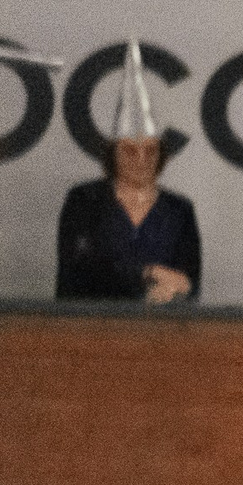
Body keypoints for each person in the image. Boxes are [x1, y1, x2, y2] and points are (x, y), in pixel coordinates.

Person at [57, 40, 200, 305]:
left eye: (150, 150)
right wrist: (148, 273)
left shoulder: (179, 209)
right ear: (113, 154)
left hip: (160, 333)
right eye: (130, 151)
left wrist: (175, 289)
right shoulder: (84, 201)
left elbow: (190, 279)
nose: (141, 159)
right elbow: (78, 270)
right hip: (88, 330)